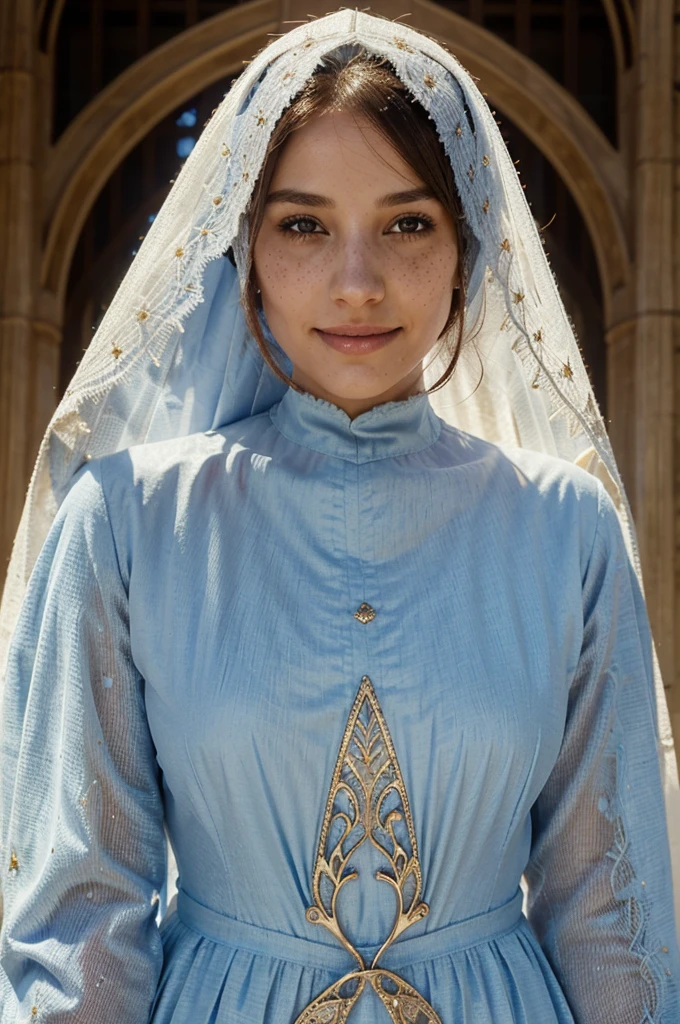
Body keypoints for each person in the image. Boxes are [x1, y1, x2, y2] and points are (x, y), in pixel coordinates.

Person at [0, 9, 678, 1023]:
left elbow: (610, 910)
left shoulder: (565, 533)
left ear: (467, 247)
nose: (355, 283)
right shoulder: (125, 527)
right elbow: (77, 910)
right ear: (244, 245)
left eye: (406, 223)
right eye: (303, 224)